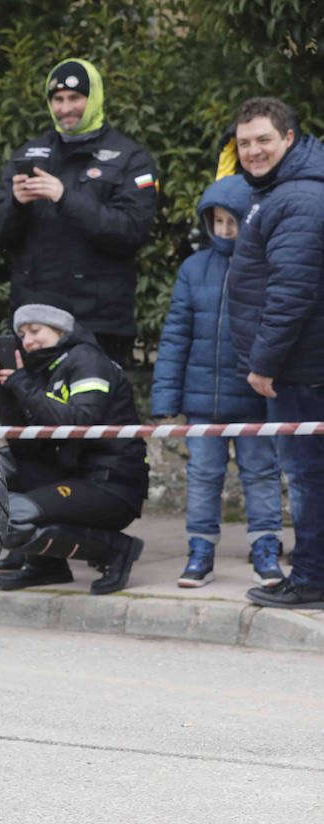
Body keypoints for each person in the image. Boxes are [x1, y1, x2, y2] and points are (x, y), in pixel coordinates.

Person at [150, 174, 283, 588]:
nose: (225, 229)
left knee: (261, 475)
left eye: (234, 220)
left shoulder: (268, 266)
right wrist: (165, 398)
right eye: (218, 220)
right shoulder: (193, 268)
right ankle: (200, 550)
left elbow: (280, 332)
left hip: (254, 401)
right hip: (202, 404)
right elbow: (175, 335)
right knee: (203, 477)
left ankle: (266, 547)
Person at [0, 58, 158, 369]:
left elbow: (131, 231)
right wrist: (17, 204)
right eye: (58, 99)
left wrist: (65, 198)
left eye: (75, 98)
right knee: (34, 410)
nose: (66, 108)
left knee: (95, 412)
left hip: (100, 322)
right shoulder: (29, 154)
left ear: (95, 98)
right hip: (35, 319)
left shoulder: (132, 157)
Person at [225, 96, 324, 610]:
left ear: (289, 139)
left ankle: (311, 579)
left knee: (308, 478)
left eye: (264, 139)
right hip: (303, 366)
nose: (253, 151)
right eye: (244, 143)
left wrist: (264, 363)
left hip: (301, 370)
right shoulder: (287, 190)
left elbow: (292, 290)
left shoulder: (298, 198)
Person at [0, 304, 148, 594]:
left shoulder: (88, 360)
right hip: (69, 474)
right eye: (22, 335)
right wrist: (5, 391)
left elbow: (80, 422)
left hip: (111, 483)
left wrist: (22, 383)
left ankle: (116, 550)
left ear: (61, 331)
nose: (27, 341)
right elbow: (27, 448)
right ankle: (46, 565)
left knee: (10, 516)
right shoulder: (43, 369)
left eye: (35, 330)